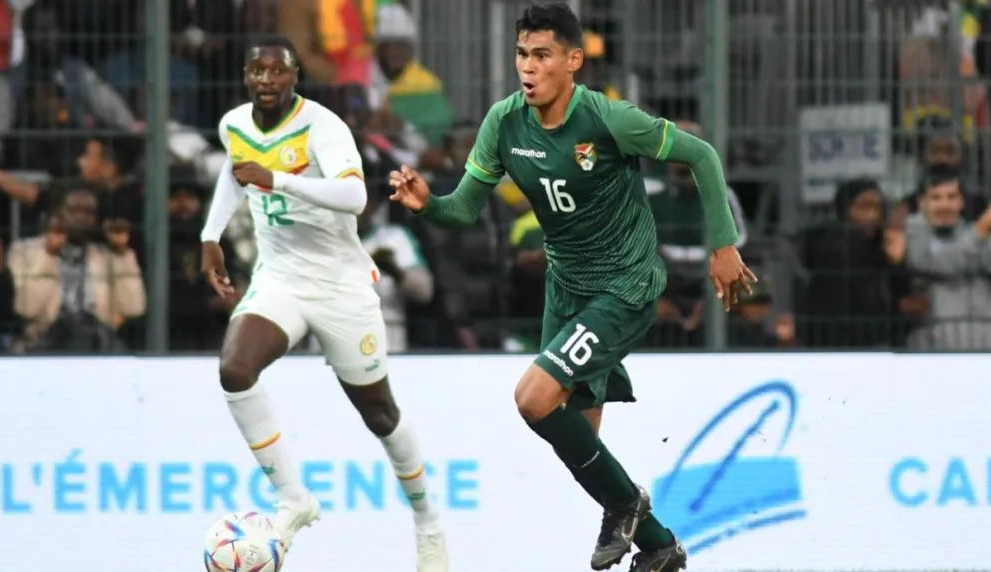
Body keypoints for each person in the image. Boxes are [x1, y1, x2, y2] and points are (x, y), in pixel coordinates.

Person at [389, 5, 755, 572]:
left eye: (541, 56)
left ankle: (630, 507)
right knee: (577, 440)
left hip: (624, 285)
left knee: (532, 399)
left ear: (573, 61)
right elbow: (462, 208)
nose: (527, 69)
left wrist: (724, 244)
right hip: (567, 290)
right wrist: (428, 205)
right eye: (521, 55)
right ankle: (659, 546)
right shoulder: (504, 124)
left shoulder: (609, 120)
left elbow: (702, 155)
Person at [198, 35, 448, 571]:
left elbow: (355, 197)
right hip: (280, 277)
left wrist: (279, 180)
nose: (266, 80)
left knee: (379, 413)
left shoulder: (323, 127)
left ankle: (428, 522)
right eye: (256, 71)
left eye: (277, 71)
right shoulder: (234, 124)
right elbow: (233, 169)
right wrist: (211, 234)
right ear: (246, 76)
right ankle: (294, 501)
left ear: (294, 77)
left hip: (340, 285)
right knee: (235, 369)